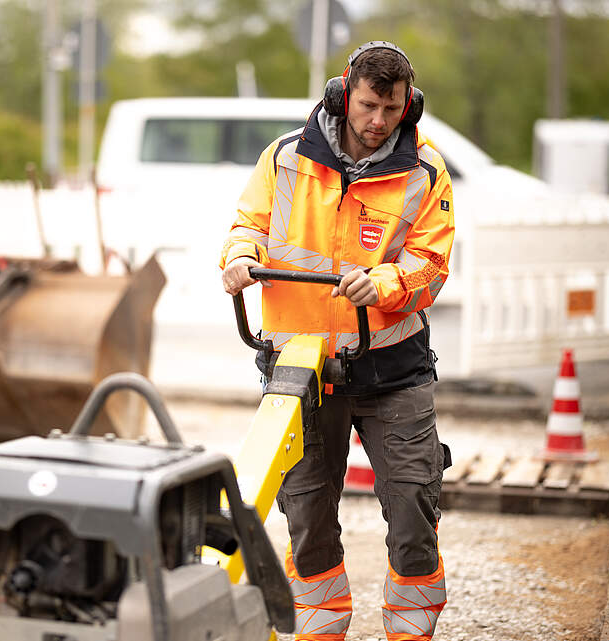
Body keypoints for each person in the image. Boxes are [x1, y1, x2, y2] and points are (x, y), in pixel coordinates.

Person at [219, 41, 454, 641]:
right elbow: (247, 224)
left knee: (411, 509)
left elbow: (431, 263)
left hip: (391, 370)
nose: (379, 122)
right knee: (307, 516)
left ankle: (409, 632)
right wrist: (241, 259)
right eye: (370, 105)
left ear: (411, 104)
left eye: (393, 108)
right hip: (299, 369)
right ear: (345, 92)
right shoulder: (286, 156)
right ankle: (320, 631)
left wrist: (383, 283)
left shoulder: (426, 170)